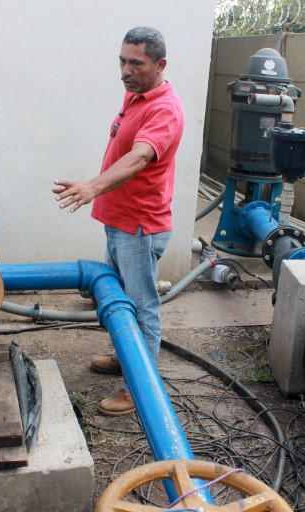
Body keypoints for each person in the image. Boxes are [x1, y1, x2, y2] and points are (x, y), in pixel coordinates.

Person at [52, 26, 184, 416]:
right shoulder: (136, 95)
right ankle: (125, 355)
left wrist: (93, 187)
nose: (126, 71)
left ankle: (138, 387)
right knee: (117, 298)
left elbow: (140, 157)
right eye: (122, 61)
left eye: (136, 64)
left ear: (160, 64)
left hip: (139, 226)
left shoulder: (164, 108)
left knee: (142, 308)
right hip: (120, 220)